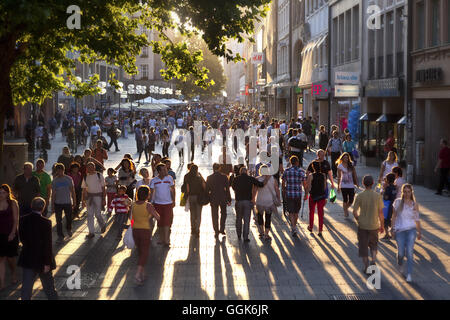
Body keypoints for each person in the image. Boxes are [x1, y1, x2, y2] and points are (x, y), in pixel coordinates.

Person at [18, 197, 58, 300]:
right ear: (43, 208)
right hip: (42, 259)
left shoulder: (22, 220)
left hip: (28, 257)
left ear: (31, 206)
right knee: (49, 288)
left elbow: (22, 238)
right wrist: (47, 263)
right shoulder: (46, 222)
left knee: (26, 288)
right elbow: (48, 244)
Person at [352, 175, 384, 274]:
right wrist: (382, 225)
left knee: (363, 247)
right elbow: (380, 212)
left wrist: (358, 219)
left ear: (363, 183)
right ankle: (373, 260)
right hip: (374, 225)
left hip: (363, 225)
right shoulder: (377, 196)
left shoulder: (360, 196)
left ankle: (366, 267)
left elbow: (354, 211)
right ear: (373, 183)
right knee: (374, 245)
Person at [391, 184, 422, 283]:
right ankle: (400, 263)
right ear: (402, 192)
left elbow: (417, 219)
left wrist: (419, 232)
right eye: (405, 191)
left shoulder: (414, 204)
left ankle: (409, 274)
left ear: (411, 192)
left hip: (411, 230)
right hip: (400, 230)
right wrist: (392, 229)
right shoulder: (398, 202)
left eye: (409, 192)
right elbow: (394, 216)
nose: (407, 194)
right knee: (400, 253)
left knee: (409, 252)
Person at [131, 186, 160, 285]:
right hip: (145, 230)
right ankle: (137, 274)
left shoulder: (133, 205)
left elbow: (132, 218)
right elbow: (158, 217)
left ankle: (142, 273)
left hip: (135, 230)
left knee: (140, 251)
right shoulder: (148, 205)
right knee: (145, 253)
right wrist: (150, 216)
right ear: (147, 195)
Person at [232, 167, 266, 242]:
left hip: (239, 201)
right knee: (247, 220)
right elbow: (261, 185)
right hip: (247, 201)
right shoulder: (250, 178)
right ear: (246, 172)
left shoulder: (236, 179)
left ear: (240, 172)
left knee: (238, 218)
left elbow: (233, 187)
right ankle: (245, 237)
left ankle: (238, 234)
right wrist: (266, 178)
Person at [149, 163, 175, 247]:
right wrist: (151, 202)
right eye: (163, 169)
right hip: (157, 203)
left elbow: (172, 190)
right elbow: (151, 192)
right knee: (160, 222)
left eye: (166, 169)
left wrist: (173, 200)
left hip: (168, 203)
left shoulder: (169, 178)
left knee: (167, 221)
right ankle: (161, 238)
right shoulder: (154, 180)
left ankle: (167, 239)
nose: (166, 171)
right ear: (159, 171)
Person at [282, 156, 308, 237]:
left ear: (290, 162)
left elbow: (283, 182)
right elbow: (305, 184)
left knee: (290, 211)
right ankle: (294, 226)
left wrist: (284, 190)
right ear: (297, 162)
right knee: (296, 211)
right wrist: (306, 194)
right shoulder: (301, 171)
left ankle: (293, 227)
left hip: (289, 194)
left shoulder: (286, 171)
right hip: (298, 194)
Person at [253, 165, 281, 241]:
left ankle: (261, 232)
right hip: (269, 202)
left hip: (260, 201)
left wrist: (253, 200)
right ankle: (266, 234)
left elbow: (254, 191)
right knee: (268, 217)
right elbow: (277, 190)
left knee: (260, 217)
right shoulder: (273, 179)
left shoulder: (257, 179)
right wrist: (279, 198)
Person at [0, 185, 19, 290]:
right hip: (0, 235)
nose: (1, 195)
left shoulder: (13, 203)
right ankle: (2, 283)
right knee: (1, 259)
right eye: (0, 192)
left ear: (8, 193)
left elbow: (16, 220)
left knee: (10, 259)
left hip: (10, 234)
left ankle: (13, 273)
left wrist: (12, 233)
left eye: (3, 192)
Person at [81, 162, 107, 239]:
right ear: (87, 168)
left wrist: (103, 199)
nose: (90, 168)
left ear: (94, 167)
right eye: (88, 167)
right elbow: (84, 189)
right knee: (89, 215)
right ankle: (91, 232)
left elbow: (103, 188)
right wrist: (83, 200)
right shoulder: (86, 177)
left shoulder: (99, 175)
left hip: (98, 196)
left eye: (91, 167)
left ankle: (102, 225)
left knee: (98, 214)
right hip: (89, 197)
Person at [206, 163, 232, 238]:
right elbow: (227, 189)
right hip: (222, 198)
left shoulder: (209, 177)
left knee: (214, 215)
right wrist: (229, 199)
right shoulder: (224, 177)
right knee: (223, 213)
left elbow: (207, 189)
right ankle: (222, 229)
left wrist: (208, 198)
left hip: (213, 198)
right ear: (219, 168)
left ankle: (216, 231)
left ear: (213, 168)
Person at [51, 163, 76, 241]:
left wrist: (74, 201)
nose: (59, 172)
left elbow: (72, 191)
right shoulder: (54, 181)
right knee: (58, 220)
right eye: (58, 170)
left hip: (67, 202)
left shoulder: (68, 179)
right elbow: (53, 194)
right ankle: (60, 235)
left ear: (63, 170)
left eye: (61, 170)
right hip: (58, 203)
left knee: (69, 218)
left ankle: (69, 229)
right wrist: (52, 205)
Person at [182, 164, 207, 237]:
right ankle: (197, 229)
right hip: (199, 197)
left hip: (191, 197)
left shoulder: (186, 176)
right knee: (199, 214)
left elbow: (187, 188)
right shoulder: (199, 177)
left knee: (192, 214)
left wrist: (187, 196)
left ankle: (192, 228)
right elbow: (204, 186)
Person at [305, 161, 327, 237]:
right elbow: (324, 187)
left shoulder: (311, 175)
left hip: (313, 196)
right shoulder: (323, 175)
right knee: (320, 213)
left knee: (311, 212)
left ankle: (311, 227)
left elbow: (308, 187)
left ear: (313, 167)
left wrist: (306, 195)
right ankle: (320, 230)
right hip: (321, 196)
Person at [336, 152, 359, 217]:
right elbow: (339, 177)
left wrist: (356, 183)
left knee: (351, 200)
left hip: (351, 185)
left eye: (347, 157)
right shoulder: (340, 166)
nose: (346, 159)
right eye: (344, 157)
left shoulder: (351, 164)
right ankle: (345, 212)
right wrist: (338, 186)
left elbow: (354, 174)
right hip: (343, 185)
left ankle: (345, 208)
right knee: (345, 199)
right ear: (342, 158)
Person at [382, 173, 397, 241]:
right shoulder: (394, 187)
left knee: (385, 220)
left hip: (387, 205)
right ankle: (394, 232)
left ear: (387, 180)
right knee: (390, 220)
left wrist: (383, 191)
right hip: (393, 204)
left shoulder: (388, 188)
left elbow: (386, 197)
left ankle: (387, 234)